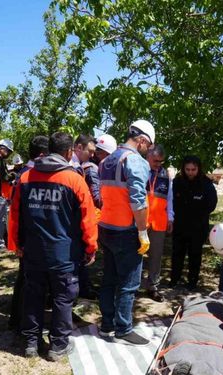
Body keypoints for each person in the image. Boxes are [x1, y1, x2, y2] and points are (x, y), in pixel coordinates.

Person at [8, 132, 97, 361]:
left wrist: (16, 244)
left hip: (33, 251)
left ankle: (30, 343)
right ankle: (58, 346)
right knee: (62, 299)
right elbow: (88, 219)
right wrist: (91, 247)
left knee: (33, 296)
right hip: (63, 254)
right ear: (69, 153)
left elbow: (15, 215)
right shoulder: (75, 180)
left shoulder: (26, 177)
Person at [98, 119, 154, 346]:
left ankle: (107, 324)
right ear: (141, 140)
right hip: (126, 231)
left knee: (109, 279)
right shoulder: (135, 161)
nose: (148, 150)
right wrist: (143, 232)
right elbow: (138, 203)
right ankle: (123, 328)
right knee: (129, 283)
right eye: (148, 146)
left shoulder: (108, 160)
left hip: (106, 228)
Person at [8, 135, 49, 331]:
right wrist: (17, 242)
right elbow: (16, 212)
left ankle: (19, 319)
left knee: (26, 279)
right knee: (25, 280)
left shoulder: (28, 172)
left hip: (30, 237)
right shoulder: (28, 174)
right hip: (27, 237)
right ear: (42, 154)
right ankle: (18, 320)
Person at [169, 155, 217, 290]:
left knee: (195, 255)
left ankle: (192, 281)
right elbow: (171, 201)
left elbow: (211, 204)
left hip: (198, 227)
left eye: (193, 169)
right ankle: (174, 279)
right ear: (183, 169)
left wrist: (198, 211)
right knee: (177, 253)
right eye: (187, 169)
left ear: (198, 169)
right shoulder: (177, 182)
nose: (190, 172)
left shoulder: (206, 184)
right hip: (180, 226)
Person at [143, 144, 173, 302]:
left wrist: (171, 217)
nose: (158, 164)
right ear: (148, 156)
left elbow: (169, 198)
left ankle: (152, 287)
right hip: (141, 221)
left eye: (161, 161)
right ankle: (133, 285)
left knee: (156, 256)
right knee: (137, 254)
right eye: (155, 160)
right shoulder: (139, 170)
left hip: (159, 222)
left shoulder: (166, 174)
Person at [71, 135, 99, 299]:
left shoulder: (79, 166)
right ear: (79, 148)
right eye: (90, 151)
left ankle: (82, 290)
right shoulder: (71, 168)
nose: (92, 155)